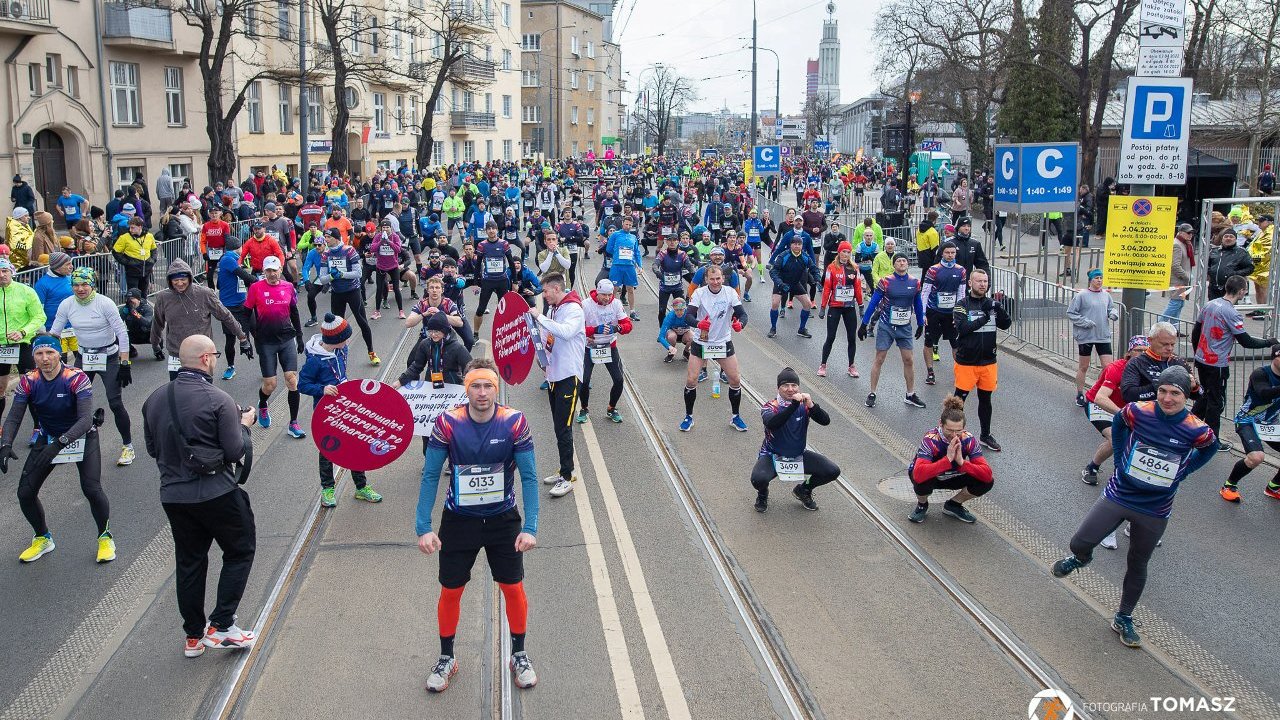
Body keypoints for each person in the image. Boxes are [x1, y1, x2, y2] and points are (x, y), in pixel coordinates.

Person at [1052, 366, 1217, 648]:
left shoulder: (1196, 428)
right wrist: (1119, 457)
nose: (1167, 398)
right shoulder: (1137, 411)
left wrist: (1184, 471)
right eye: (1163, 391)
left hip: (1154, 509)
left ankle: (1123, 617)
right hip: (1120, 494)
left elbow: (1210, 448)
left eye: (1175, 393)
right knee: (1080, 541)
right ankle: (1081, 559)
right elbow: (1118, 425)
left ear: (1185, 396)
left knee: (1138, 563)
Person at [416, 358, 541, 693]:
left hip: (503, 520)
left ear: (496, 388)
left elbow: (529, 477)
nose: (482, 393)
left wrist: (531, 526)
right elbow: (430, 475)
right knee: (451, 590)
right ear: (466, 388)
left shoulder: (514, 421)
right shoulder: (447, 422)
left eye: (488, 386)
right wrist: (422, 526)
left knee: (512, 588)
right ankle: (447, 658)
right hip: (459, 521)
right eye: (475, 386)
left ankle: (519, 653)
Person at [143, 334, 257, 657]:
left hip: (174, 496)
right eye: (216, 355)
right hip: (216, 492)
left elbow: (153, 449)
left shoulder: (153, 399)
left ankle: (193, 636)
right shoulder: (218, 399)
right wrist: (244, 423)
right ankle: (222, 625)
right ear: (206, 359)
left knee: (190, 562)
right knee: (240, 548)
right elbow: (235, 450)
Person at [0, 332, 111, 563]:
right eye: (39, 353)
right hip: (49, 436)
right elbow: (13, 417)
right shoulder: (29, 380)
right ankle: (42, 537)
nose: (45, 358)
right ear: (33, 357)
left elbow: (85, 420)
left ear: (59, 353)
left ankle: (104, 536)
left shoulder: (76, 377)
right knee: (25, 493)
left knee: (91, 488)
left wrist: (59, 445)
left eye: (50, 352)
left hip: (80, 436)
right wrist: (6, 444)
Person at [50, 267, 136, 465]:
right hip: (84, 356)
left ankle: (128, 446)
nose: (80, 289)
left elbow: (122, 333)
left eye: (84, 284)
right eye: (76, 285)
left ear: (92, 285)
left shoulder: (105, 303)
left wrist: (125, 362)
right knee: (71, 399)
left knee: (115, 403)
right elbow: (55, 332)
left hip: (109, 357)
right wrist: (48, 354)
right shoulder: (67, 304)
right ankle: (78, 435)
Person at [298, 314, 384, 508]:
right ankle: (327, 489)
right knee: (327, 450)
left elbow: (341, 373)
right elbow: (302, 384)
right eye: (345, 337)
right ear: (335, 340)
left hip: (345, 406)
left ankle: (361, 487)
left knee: (355, 444)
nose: (347, 341)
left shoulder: (342, 349)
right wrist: (321, 389)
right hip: (325, 411)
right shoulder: (315, 361)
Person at [1191, 274, 1276, 443]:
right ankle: (1212, 440)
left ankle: (1188, 426)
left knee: (1206, 396)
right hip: (1217, 364)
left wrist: (1196, 353)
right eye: (1245, 290)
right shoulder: (1231, 312)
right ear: (1242, 291)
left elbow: (1195, 331)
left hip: (1202, 360)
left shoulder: (1209, 304)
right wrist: (1269, 342)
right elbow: (1246, 341)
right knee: (1217, 402)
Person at [750, 367, 840, 513]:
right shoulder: (770, 406)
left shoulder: (804, 406)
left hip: (798, 454)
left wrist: (811, 406)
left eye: (794, 385)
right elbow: (773, 424)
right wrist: (794, 406)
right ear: (778, 388)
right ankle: (762, 493)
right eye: (785, 385)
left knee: (832, 471)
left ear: (799, 387)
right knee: (758, 479)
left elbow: (825, 421)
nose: (790, 389)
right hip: (772, 455)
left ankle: (804, 490)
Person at [527, 272, 584, 498]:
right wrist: (542, 356)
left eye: (546, 291)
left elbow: (567, 332)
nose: (544, 295)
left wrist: (540, 317)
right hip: (554, 375)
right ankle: (564, 469)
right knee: (559, 427)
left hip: (568, 376)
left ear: (557, 289)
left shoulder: (573, 310)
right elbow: (548, 335)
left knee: (563, 428)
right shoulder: (555, 309)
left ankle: (567, 477)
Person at [680, 264, 749, 433]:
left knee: (735, 379)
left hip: (722, 341)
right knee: (691, 380)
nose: (715, 282)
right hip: (702, 342)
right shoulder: (699, 293)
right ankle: (688, 416)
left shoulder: (730, 292)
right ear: (706, 280)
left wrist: (740, 324)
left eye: (718, 278)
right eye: (712, 279)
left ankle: (735, 416)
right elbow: (688, 315)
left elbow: (743, 314)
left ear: (723, 278)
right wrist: (698, 323)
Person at [152, 259, 248, 381]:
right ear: (170, 281)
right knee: (178, 396)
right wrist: (155, 345)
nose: (180, 283)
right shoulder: (163, 298)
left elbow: (225, 315)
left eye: (183, 279)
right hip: (177, 355)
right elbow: (157, 324)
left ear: (190, 278)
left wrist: (242, 337)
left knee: (203, 395)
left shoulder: (204, 294)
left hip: (202, 354)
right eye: (175, 280)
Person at [906, 395, 994, 524]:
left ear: (963, 428)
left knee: (987, 481)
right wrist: (947, 460)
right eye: (949, 430)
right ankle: (922, 505)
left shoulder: (968, 439)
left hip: (954, 476)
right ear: (940, 424)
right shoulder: (931, 439)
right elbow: (918, 474)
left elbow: (987, 475)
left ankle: (953, 505)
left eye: (958, 431)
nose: (953, 435)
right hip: (933, 477)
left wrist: (963, 463)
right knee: (920, 480)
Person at [245, 256, 306, 438]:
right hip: (266, 342)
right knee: (270, 385)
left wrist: (300, 336)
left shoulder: (288, 287)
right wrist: (246, 339)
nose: (272, 274)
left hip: (287, 339)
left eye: (275, 270)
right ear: (263, 272)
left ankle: (293, 423)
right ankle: (263, 404)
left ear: (280, 270)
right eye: (268, 271)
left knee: (291, 380)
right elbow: (246, 314)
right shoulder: (256, 288)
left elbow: (294, 312)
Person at [951, 269, 1012, 451]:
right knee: (958, 402)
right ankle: (952, 434)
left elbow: (1006, 324)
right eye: (979, 281)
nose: (983, 284)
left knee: (986, 400)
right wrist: (986, 317)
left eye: (985, 281)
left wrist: (998, 310)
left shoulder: (991, 304)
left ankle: (985, 435)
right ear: (970, 283)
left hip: (988, 362)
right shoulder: (962, 304)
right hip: (967, 362)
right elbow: (963, 328)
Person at [859, 253, 926, 409]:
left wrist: (921, 323)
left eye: (904, 261)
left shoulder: (915, 282)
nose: (901, 263)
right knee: (880, 358)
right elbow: (874, 302)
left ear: (908, 264)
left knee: (908, 359)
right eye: (898, 261)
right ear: (893, 265)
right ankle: (872, 393)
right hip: (886, 326)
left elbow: (918, 303)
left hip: (905, 327)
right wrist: (864, 323)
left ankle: (910, 394)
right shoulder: (885, 282)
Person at [1222, 343, 1280, 502]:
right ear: (1274, 357)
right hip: (1247, 421)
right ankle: (1229, 485)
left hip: (1270, 423)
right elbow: (1264, 393)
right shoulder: (1260, 373)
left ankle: (1274, 486)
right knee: (1256, 457)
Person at [316, 227, 380, 365]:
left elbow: (358, 273)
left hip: (353, 291)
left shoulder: (348, 250)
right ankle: (337, 356)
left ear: (336, 238)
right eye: (325, 237)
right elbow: (322, 279)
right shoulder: (326, 254)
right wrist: (332, 275)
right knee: (335, 326)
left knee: (362, 322)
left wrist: (342, 274)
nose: (325, 240)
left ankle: (371, 352)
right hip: (337, 293)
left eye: (328, 237)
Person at [577, 280, 632, 424]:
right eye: (604, 295)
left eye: (610, 295)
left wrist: (617, 328)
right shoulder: (585, 304)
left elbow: (628, 325)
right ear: (597, 292)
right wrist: (594, 330)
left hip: (609, 346)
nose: (607, 298)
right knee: (584, 381)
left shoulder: (616, 304)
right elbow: (577, 329)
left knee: (619, 380)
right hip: (590, 347)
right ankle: (584, 408)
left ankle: (612, 408)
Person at [1067, 269, 1119, 406]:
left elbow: (1110, 308)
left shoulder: (1106, 295)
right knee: (1084, 366)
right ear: (1090, 280)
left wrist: (1113, 313)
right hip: (1086, 336)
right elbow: (1071, 313)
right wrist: (1084, 322)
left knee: (1108, 367)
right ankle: (1079, 394)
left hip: (1103, 335)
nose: (1099, 280)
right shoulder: (1081, 295)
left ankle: (1098, 392)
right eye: (1096, 278)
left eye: (1101, 278)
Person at [920, 242, 967, 386]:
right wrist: (922, 314)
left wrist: (959, 314)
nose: (950, 255)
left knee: (956, 343)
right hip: (934, 311)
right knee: (929, 342)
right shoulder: (934, 270)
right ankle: (930, 372)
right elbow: (925, 291)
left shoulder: (961, 270)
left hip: (951, 313)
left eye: (953, 253)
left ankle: (960, 373)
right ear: (942, 253)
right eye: (947, 253)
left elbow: (961, 293)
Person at [817, 240, 864, 378]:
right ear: (839, 252)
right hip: (835, 307)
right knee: (831, 337)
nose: (846, 254)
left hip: (849, 307)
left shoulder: (854, 268)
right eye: (844, 251)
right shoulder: (831, 268)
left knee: (851, 338)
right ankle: (823, 364)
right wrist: (823, 306)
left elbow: (858, 288)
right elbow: (826, 288)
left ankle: (851, 365)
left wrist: (861, 306)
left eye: (848, 252)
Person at [394, 311, 471, 390]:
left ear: (445, 331)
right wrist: (400, 381)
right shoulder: (425, 344)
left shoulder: (457, 348)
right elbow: (416, 366)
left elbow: (471, 369)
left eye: (436, 331)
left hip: (452, 388)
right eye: (430, 331)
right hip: (431, 387)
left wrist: (467, 386)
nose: (433, 335)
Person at [768, 235, 820, 339]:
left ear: (802, 245)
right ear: (791, 245)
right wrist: (780, 284)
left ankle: (802, 329)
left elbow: (814, 268)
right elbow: (773, 271)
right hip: (781, 283)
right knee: (775, 303)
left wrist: (817, 277)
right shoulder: (783, 256)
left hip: (795, 283)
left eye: (799, 244)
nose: (797, 246)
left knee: (807, 304)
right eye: (794, 244)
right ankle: (773, 328)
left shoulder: (805, 257)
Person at [605, 215, 642, 320]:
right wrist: (617, 255)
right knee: (614, 288)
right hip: (617, 266)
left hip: (629, 266)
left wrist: (640, 265)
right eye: (626, 224)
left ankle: (632, 311)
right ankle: (611, 311)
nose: (628, 226)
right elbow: (609, 249)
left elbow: (637, 252)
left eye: (630, 225)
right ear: (622, 224)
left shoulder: (633, 237)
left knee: (630, 289)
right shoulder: (615, 235)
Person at [1160, 223, 1195, 323]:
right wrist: (1186, 276)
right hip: (1177, 280)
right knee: (1175, 304)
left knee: (1179, 304)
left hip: (1182, 280)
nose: (1191, 235)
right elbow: (1175, 265)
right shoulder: (1177, 244)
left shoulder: (1185, 244)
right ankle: (1158, 325)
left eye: (1192, 233)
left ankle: (1174, 328)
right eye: (1188, 233)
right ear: (1181, 232)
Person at [1206, 229, 1254, 300]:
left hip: (1232, 289)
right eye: (1226, 236)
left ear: (1235, 239)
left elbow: (1250, 268)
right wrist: (1211, 272)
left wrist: (1235, 274)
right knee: (1214, 309)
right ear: (1222, 239)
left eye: (1231, 237)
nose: (1228, 238)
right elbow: (1206, 265)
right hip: (1214, 288)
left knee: (1227, 310)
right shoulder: (1214, 251)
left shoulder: (1241, 252)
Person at [657, 296, 694, 361]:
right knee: (671, 336)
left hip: (685, 334)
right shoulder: (670, 317)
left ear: (685, 308)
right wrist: (669, 347)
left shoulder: (689, 315)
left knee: (693, 337)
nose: (679, 312)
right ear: (673, 309)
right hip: (673, 333)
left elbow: (698, 327)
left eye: (681, 310)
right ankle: (671, 352)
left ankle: (686, 352)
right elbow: (660, 337)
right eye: (677, 310)